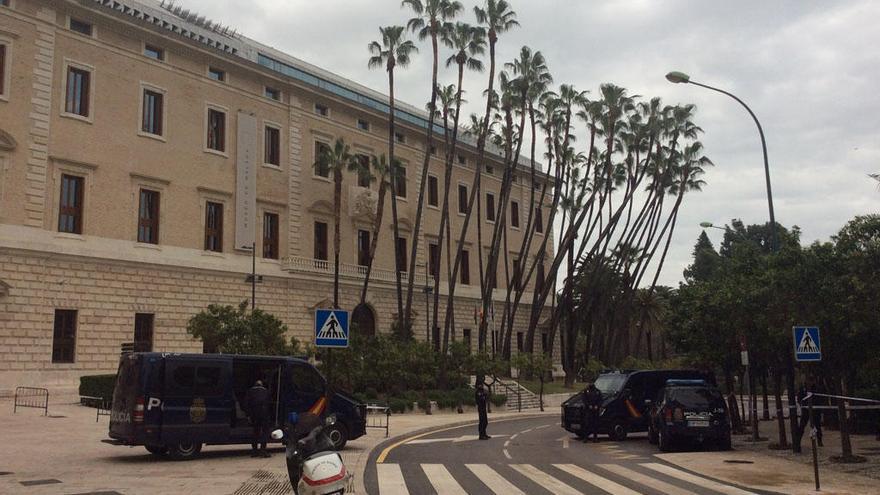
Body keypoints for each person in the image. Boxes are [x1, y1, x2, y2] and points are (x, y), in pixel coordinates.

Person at [245, 379, 271, 457]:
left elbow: (246, 404)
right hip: (264, 414)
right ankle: (263, 451)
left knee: (255, 432)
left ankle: (254, 451)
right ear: (261, 385)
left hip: (254, 414)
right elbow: (268, 403)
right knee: (265, 432)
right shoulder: (266, 391)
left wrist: (248, 415)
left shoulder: (250, 391)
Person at [797, 380, 823, 448]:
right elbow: (799, 398)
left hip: (815, 410)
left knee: (817, 426)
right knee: (802, 425)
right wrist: (802, 404)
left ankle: (819, 441)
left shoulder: (817, 389)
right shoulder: (803, 389)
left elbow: (820, 399)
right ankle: (798, 440)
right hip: (805, 410)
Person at [475, 375, 491, 440]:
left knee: (485, 421)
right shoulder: (478, 392)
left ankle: (484, 433)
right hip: (480, 407)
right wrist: (484, 396)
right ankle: (481, 435)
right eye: (480, 385)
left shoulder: (482, 391)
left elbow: (486, 397)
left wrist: (485, 395)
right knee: (482, 421)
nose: (481, 386)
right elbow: (481, 399)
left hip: (483, 407)